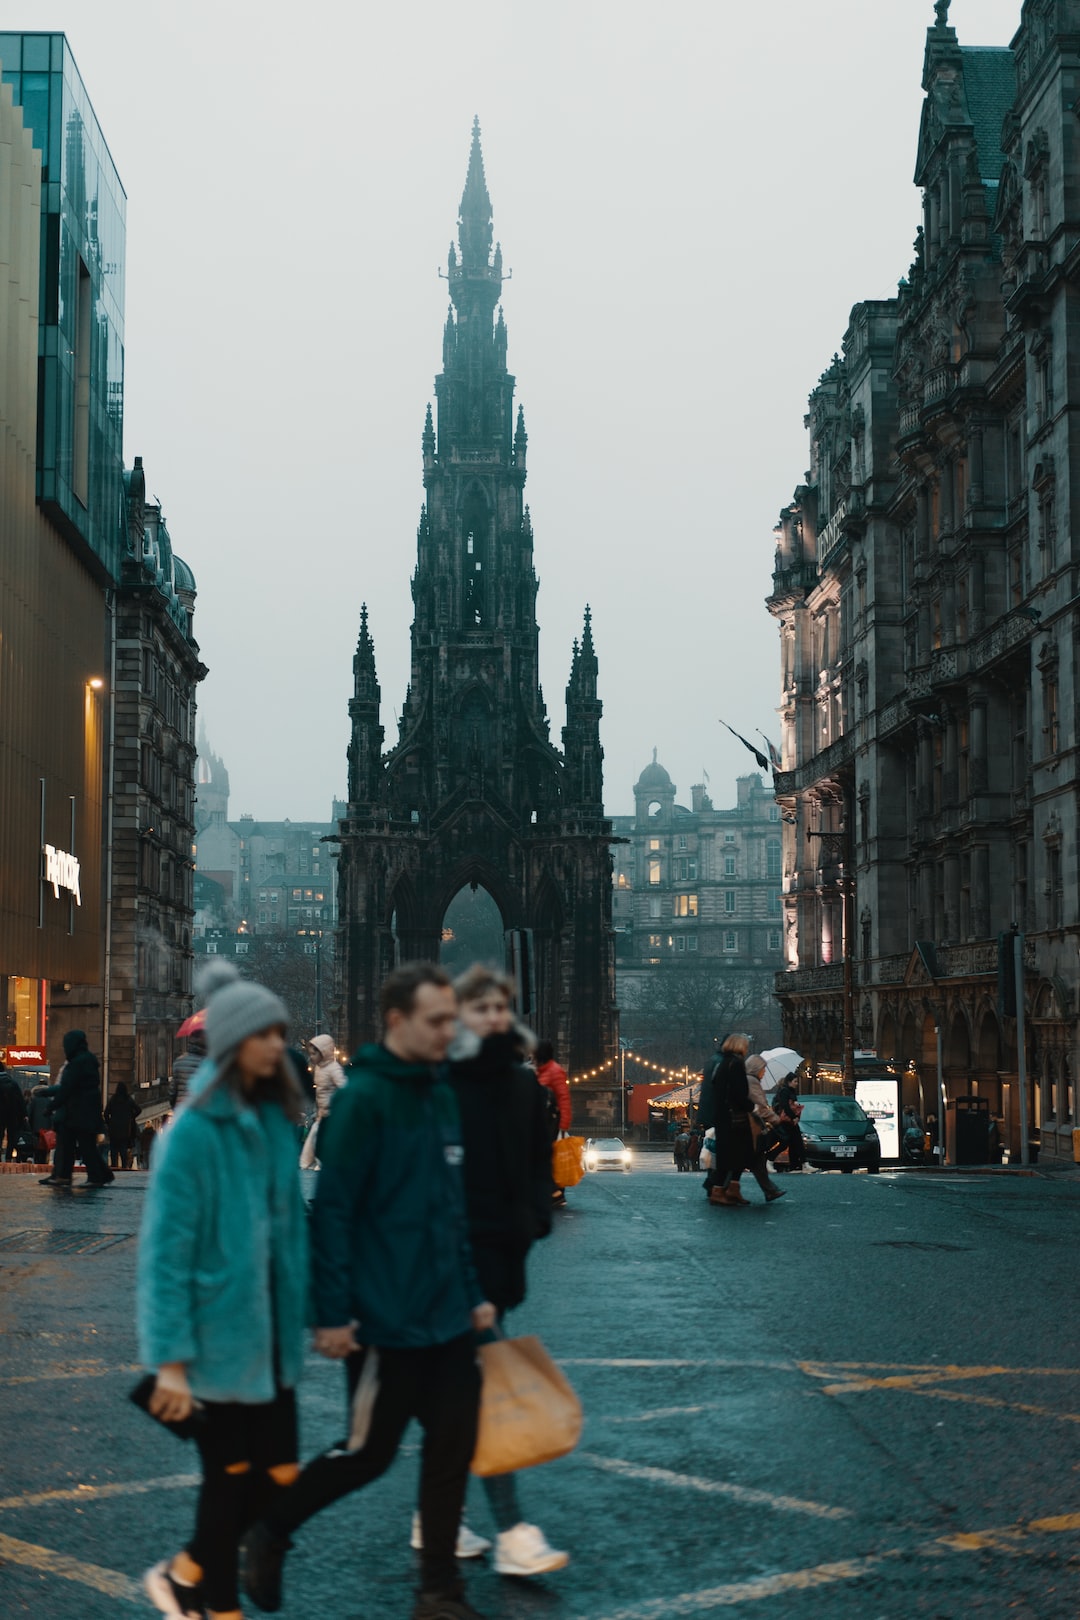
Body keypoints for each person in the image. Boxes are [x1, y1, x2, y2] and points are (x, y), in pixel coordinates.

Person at [240, 962, 496, 1620]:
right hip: (386, 1319)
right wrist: (332, 1315)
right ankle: (271, 1528)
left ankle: (439, 1592)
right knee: (367, 1454)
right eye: (437, 1020)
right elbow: (334, 1213)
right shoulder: (364, 1099)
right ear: (397, 1022)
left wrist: (474, 1291)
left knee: (451, 1450)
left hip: (445, 1314)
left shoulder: (442, 1094)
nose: (450, 1030)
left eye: (452, 1019)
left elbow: (451, 1207)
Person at [137, 960, 308, 1620]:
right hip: (215, 1339)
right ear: (236, 1043)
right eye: (266, 1034)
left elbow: (292, 1235)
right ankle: (216, 1604)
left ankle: (186, 1577)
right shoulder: (191, 1134)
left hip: (270, 1337)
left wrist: (321, 1316)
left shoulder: (273, 1120)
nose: (279, 1045)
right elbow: (164, 1259)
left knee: (280, 1480)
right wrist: (170, 1363)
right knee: (230, 1479)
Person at [429, 964, 567, 1577]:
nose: (490, 1018)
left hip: (500, 1257)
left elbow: (538, 1161)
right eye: (477, 1008)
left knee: (451, 1397)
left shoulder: (518, 1084)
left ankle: (437, 1515)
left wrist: (534, 1219)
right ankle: (511, 1531)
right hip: (451, 1265)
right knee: (485, 1394)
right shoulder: (436, 1084)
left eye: (498, 1008)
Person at [39, 1032, 113, 1188]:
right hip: (84, 1111)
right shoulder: (86, 1061)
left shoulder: (77, 1063)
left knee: (78, 1146)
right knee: (86, 1146)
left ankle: (87, 1176)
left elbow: (67, 1089)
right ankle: (99, 1175)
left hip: (78, 1112)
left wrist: (51, 1106)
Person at [697, 1032, 756, 1207]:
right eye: (745, 1045)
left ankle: (729, 1188)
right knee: (732, 1155)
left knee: (732, 1154)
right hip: (733, 1117)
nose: (747, 1048)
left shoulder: (722, 1062)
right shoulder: (735, 1064)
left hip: (723, 1115)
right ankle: (719, 1189)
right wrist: (751, 1106)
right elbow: (737, 1092)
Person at [299, 1033, 347, 1169]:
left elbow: (344, 1087)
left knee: (323, 1138)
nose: (311, 1057)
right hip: (323, 1111)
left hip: (332, 1112)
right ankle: (307, 1162)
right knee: (315, 1135)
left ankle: (321, 1162)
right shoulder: (319, 1068)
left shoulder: (334, 1068)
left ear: (323, 1052)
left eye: (314, 1054)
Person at [744, 1055, 786, 1203]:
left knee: (756, 1160)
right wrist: (775, 1119)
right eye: (763, 1069)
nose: (764, 1073)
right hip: (750, 1126)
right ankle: (770, 1190)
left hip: (745, 1126)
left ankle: (770, 1190)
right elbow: (760, 1107)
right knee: (755, 1159)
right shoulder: (752, 1082)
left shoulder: (745, 1079)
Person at [534, 1039, 571, 1205]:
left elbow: (563, 1098)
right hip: (543, 1121)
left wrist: (563, 1125)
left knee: (550, 1158)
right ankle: (552, 1192)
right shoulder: (541, 1071)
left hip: (552, 1123)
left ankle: (556, 1192)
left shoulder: (554, 1071)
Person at [104, 1080, 140, 1170]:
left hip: (114, 1129)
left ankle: (114, 1166)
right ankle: (124, 1167)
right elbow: (138, 1110)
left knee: (113, 1150)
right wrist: (131, 1117)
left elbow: (106, 1113)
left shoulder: (113, 1099)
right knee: (123, 1149)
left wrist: (109, 1122)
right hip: (125, 1129)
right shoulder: (128, 1100)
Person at [771, 1076, 806, 1171]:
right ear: (789, 1082)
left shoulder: (790, 1092)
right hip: (786, 1120)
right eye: (795, 1081)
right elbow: (785, 1106)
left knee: (794, 1142)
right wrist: (793, 1116)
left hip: (789, 1120)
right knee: (788, 1142)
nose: (796, 1083)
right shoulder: (784, 1092)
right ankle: (802, 1164)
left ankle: (798, 1164)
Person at [169, 1028, 207, 1111]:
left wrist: (175, 1108)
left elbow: (172, 1091)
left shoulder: (179, 1061)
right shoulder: (209, 1063)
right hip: (201, 1111)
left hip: (182, 1110)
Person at [0, 1062, 27, 1161]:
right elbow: (20, 1100)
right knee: (11, 1136)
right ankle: (8, 1157)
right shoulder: (13, 1082)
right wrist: (24, 1114)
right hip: (12, 1114)